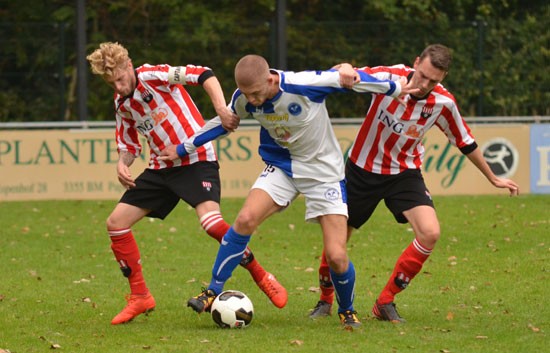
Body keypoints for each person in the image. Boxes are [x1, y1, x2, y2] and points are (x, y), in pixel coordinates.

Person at [160, 54, 420, 328]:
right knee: (245, 219)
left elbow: (350, 79)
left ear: (271, 79)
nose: (252, 101)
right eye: (247, 95)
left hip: (324, 174)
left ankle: (347, 309)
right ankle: (213, 290)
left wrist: (395, 89)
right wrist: (181, 149)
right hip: (283, 167)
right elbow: (224, 122)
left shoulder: (303, 84)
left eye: (257, 93)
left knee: (336, 255)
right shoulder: (244, 98)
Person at [308, 44, 520, 323]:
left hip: (403, 174)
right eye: (422, 75)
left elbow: (464, 141)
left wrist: (493, 177)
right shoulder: (389, 77)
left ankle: (385, 302)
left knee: (430, 232)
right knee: (337, 244)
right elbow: (347, 74)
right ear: (416, 62)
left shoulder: (443, 103)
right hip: (361, 171)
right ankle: (325, 299)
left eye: (434, 80)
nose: (425, 84)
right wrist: (344, 68)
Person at [86, 42, 287, 325]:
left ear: (129, 66)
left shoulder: (153, 76)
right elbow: (129, 145)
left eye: (120, 78)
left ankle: (261, 274)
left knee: (211, 223)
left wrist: (220, 108)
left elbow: (203, 73)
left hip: (195, 159)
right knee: (116, 223)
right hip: (161, 167)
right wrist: (122, 163)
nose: (117, 86)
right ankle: (140, 296)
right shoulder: (122, 104)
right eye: (111, 83)